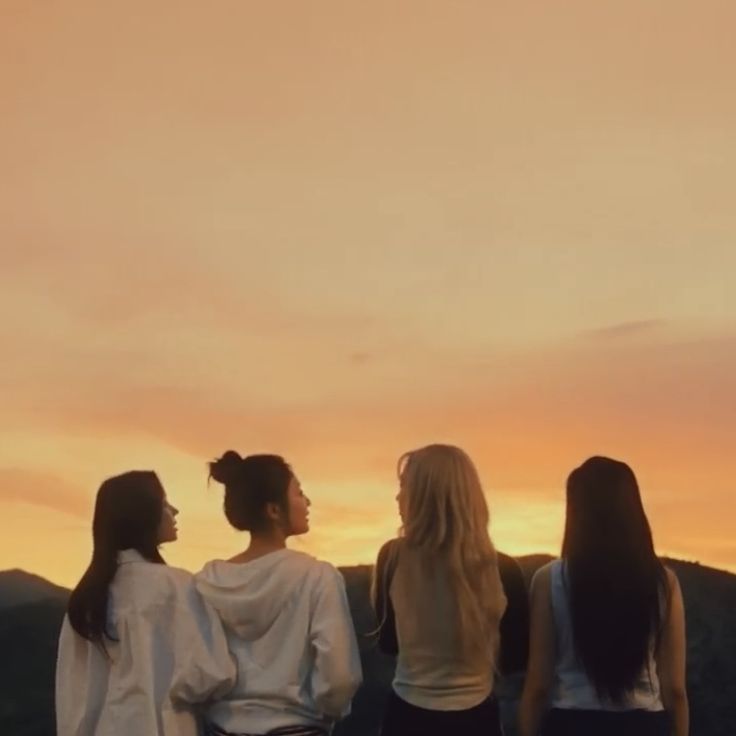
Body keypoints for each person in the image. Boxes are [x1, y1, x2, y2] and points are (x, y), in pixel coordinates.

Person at [56, 471, 236, 736]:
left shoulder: (87, 599)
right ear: (142, 514)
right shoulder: (177, 586)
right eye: (164, 504)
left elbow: (73, 696)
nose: (174, 511)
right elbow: (209, 675)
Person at [195, 451, 362, 736]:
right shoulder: (317, 576)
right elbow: (339, 677)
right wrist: (329, 711)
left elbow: (198, 667)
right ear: (274, 510)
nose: (307, 502)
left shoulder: (207, 581)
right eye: (299, 493)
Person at [519, 456, 689, 736]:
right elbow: (675, 689)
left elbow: (538, 686)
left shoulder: (550, 580)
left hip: (571, 725)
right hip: (644, 726)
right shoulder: (663, 582)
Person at [372, 444, 508, 736]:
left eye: (405, 487)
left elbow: (388, 643)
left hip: (407, 716)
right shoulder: (501, 568)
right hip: (478, 718)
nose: (398, 497)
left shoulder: (393, 557)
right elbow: (515, 655)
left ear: (425, 496)